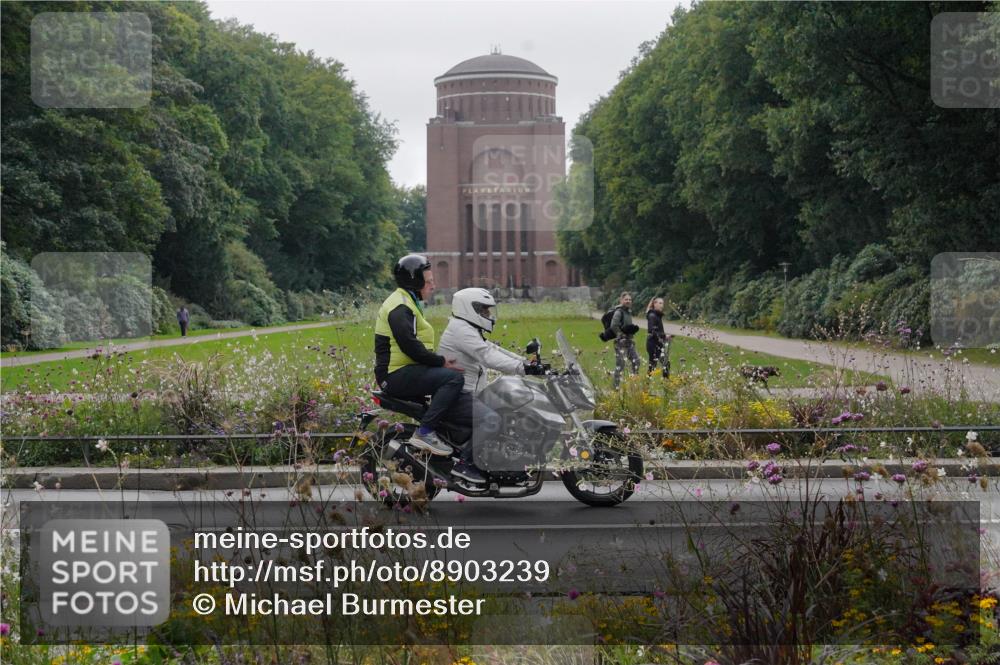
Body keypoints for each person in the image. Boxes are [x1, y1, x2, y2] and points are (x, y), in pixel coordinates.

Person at [437, 288, 536, 484]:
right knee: (492, 420)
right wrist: (521, 368)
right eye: (484, 310)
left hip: (467, 392)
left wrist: (525, 362)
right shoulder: (460, 330)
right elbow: (486, 356)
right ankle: (465, 465)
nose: (489, 315)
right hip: (457, 396)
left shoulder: (466, 328)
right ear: (470, 309)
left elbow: (492, 348)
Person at [374, 254, 464, 456]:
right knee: (453, 379)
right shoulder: (400, 307)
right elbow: (410, 346)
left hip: (402, 371)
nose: (433, 286)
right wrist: (440, 362)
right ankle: (424, 433)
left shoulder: (406, 301)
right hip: (394, 375)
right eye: (429, 281)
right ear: (415, 281)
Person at [610, 292, 641, 388]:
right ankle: (615, 388)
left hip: (629, 342)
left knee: (636, 361)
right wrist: (621, 336)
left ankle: (633, 384)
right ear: (621, 300)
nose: (628, 301)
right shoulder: (619, 312)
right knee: (620, 365)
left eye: (630, 300)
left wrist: (631, 337)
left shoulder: (628, 312)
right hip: (621, 343)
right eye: (626, 299)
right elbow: (613, 326)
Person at [645, 296, 671, 379]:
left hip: (656, 343)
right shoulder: (652, 315)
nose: (661, 305)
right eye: (659, 303)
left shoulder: (656, 315)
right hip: (653, 344)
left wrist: (665, 336)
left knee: (658, 364)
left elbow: (657, 331)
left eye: (662, 303)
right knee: (661, 364)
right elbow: (652, 331)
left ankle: (648, 384)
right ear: (654, 304)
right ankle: (665, 384)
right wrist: (664, 336)